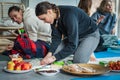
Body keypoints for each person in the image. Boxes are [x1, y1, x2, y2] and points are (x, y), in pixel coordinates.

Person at [35, 1, 100, 65]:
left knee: (78, 61)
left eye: (44, 19)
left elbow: (72, 44)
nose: (44, 22)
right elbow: (56, 39)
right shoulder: (53, 18)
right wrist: (49, 55)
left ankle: (87, 50)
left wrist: (53, 58)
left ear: (49, 12)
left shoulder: (69, 15)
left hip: (90, 35)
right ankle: (81, 49)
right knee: (54, 54)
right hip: (74, 37)